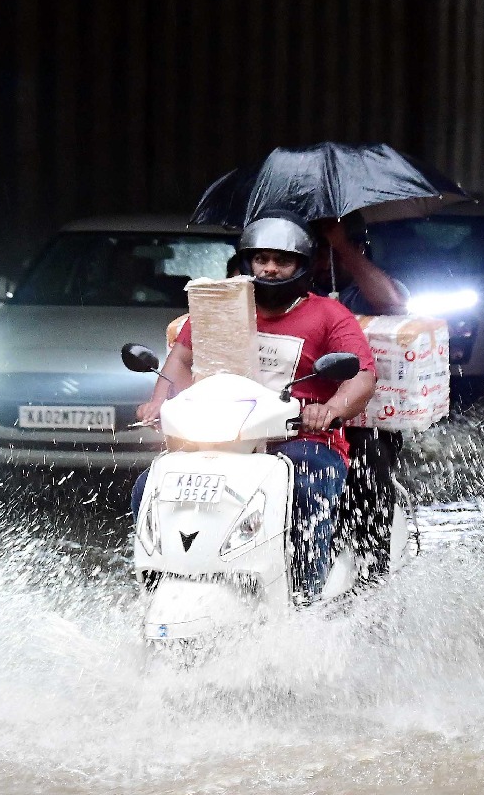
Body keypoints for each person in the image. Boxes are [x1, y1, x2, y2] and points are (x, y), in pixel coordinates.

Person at [134, 212, 378, 602]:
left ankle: (304, 594)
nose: (271, 268)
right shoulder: (221, 309)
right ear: (247, 262)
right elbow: (181, 358)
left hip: (302, 438)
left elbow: (362, 375)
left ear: (303, 265)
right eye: (262, 258)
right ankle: (158, 584)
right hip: (226, 439)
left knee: (307, 483)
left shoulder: (330, 315)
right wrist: (159, 402)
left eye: (282, 261)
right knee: (151, 485)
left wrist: (330, 409)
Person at [311, 217, 410, 583]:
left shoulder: (362, 291)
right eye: (315, 250)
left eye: (326, 251)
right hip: (300, 413)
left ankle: (372, 570)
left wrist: (341, 247)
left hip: (364, 419)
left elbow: (394, 303)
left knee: (368, 463)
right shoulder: (290, 293)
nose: (320, 259)